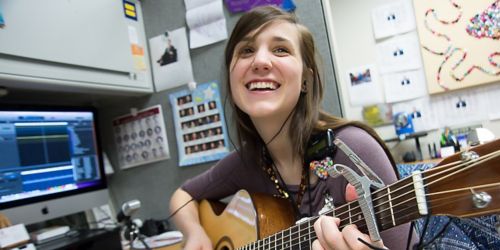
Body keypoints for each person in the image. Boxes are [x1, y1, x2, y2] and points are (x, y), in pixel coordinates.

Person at [169, 6, 412, 250]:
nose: (260, 61)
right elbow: (182, 196)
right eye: (246, 50)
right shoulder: (247, 162)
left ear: (305, 79)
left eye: (281, 49)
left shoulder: (353, 149)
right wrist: (194, 233)